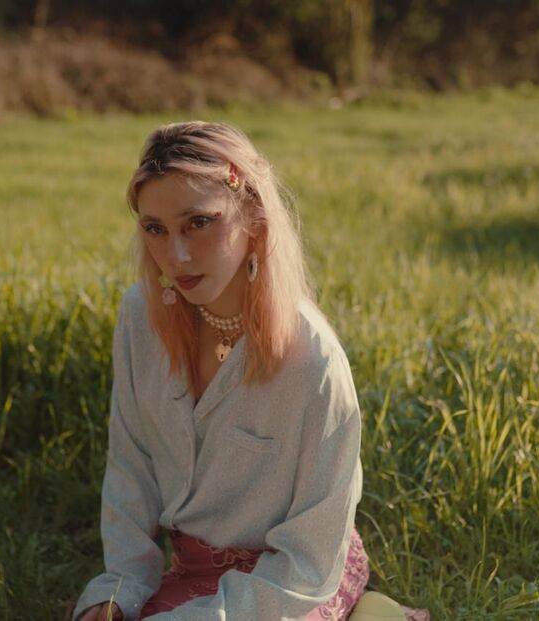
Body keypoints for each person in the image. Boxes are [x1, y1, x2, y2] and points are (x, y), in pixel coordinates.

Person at [72, 121, 427, 621]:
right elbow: (130, 470)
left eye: (199, 222)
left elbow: (309, 562)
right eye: (155, 229)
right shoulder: (139, 319)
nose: (176, 255)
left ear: (254, 216)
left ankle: (374, 613)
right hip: (192, 572)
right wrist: (119, 589)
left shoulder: (314, 361)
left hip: (291, 581)